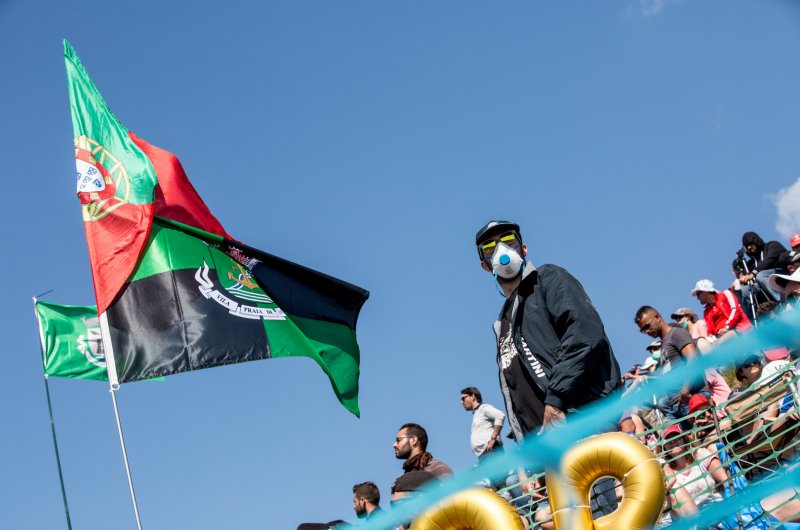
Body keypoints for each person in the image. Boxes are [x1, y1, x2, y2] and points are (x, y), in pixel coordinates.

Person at [475, 220, 620, 513]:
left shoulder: (547, 280)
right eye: (490, 247)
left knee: (608, 519)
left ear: (524, 248)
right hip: (550, 455)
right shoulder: (503, 322)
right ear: (485, 264)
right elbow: (518, 395)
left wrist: (556, 400)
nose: (502, 250)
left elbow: (584, 333)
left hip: (581, 427)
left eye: (508, 240)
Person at [634, 306, 704, 421]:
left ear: (657, 317)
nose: (647, 331)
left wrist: (686, 389)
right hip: (676, 405)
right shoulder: (664, 343)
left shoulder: (676, 333)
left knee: (704, 431)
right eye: (643, 330)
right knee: (670, 432)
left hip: (690, 399)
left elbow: (693, 359)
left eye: (647, 326)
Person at [392, 422, 452, 494]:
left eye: (399, 440)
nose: (394, 445)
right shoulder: (403, 478)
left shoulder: (437, 468)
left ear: (413, 440)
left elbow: (452, 495)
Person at [692, 279, 752, 343]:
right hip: (721, 337)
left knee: (720, 343)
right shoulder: (706, 312)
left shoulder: (725, 294)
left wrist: (727, 327)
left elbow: (736, 310)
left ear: (704, 292)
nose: (697, 298)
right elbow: (710, 331)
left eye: (698, 294)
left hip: (738, 329)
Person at [738, 231, 789, 302]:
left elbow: (769, 260)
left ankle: (783, 300)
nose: (749, 247)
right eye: (746, 247)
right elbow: (747, 277)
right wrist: (741, 278)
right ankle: (763, 308)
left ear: (756, 241)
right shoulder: (751, 263)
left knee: (760, 275)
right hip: (764, 284)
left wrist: (753, 273)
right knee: (743, 291)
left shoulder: (772, 245)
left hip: (781, 275)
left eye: (750, 244)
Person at [460, 387, 505, 458]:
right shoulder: (477, 413)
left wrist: (493, 439)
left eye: (463, 398)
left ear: (473, 396)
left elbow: (500, 415)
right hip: (485, 455)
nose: (461, 402)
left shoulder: (483, 408)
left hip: (492, 452)